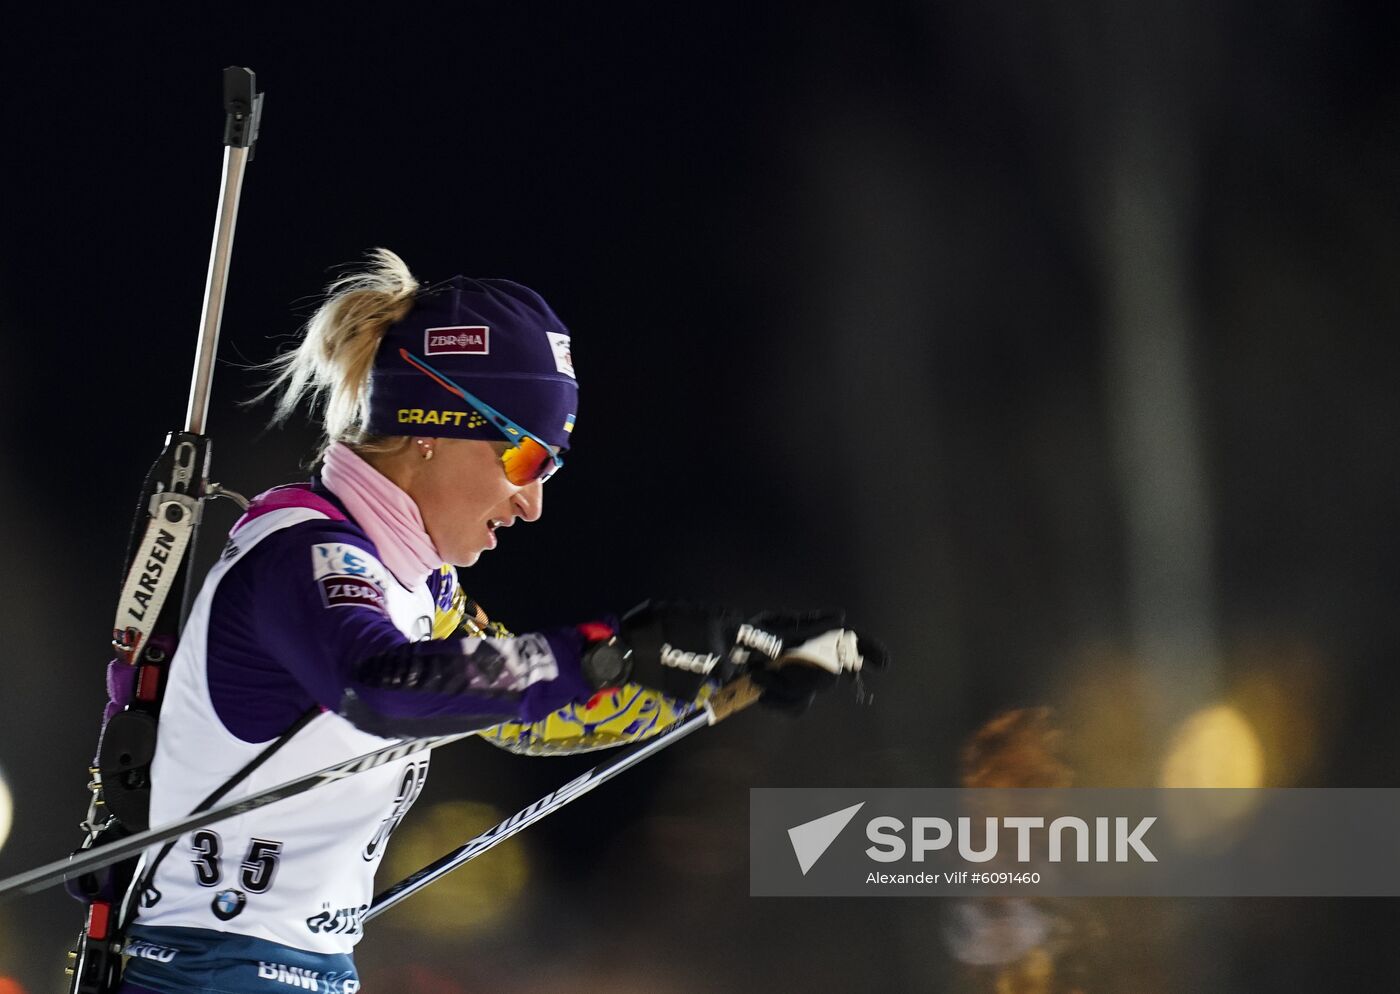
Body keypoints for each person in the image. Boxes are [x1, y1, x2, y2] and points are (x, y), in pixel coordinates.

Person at [115, 249, 882, 994]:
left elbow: (526, 719)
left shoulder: (417, 585)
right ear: (433, 424)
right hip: (207, 972)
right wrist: (604, 654)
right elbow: (385, 687)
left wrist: (715, 665)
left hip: (294, 970)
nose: (531, 502)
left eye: (549, 471)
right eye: (523, 461)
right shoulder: (306, 559)